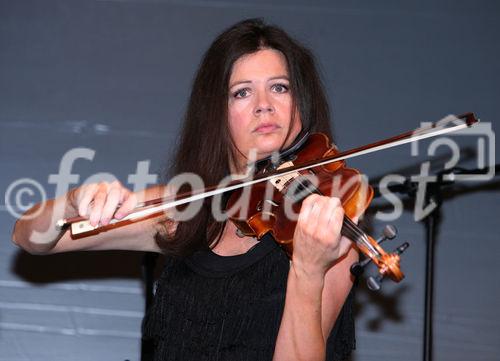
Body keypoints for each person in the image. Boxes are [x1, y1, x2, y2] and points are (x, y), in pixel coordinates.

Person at [12, 18, 358, 361]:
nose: (264, 104)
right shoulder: (184, 211)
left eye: (280, 87)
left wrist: (308, 272)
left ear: (301, 103)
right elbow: (30, 237)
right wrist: (71, 203)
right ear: (216, 114)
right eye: (242, 92)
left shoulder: (327, 238)